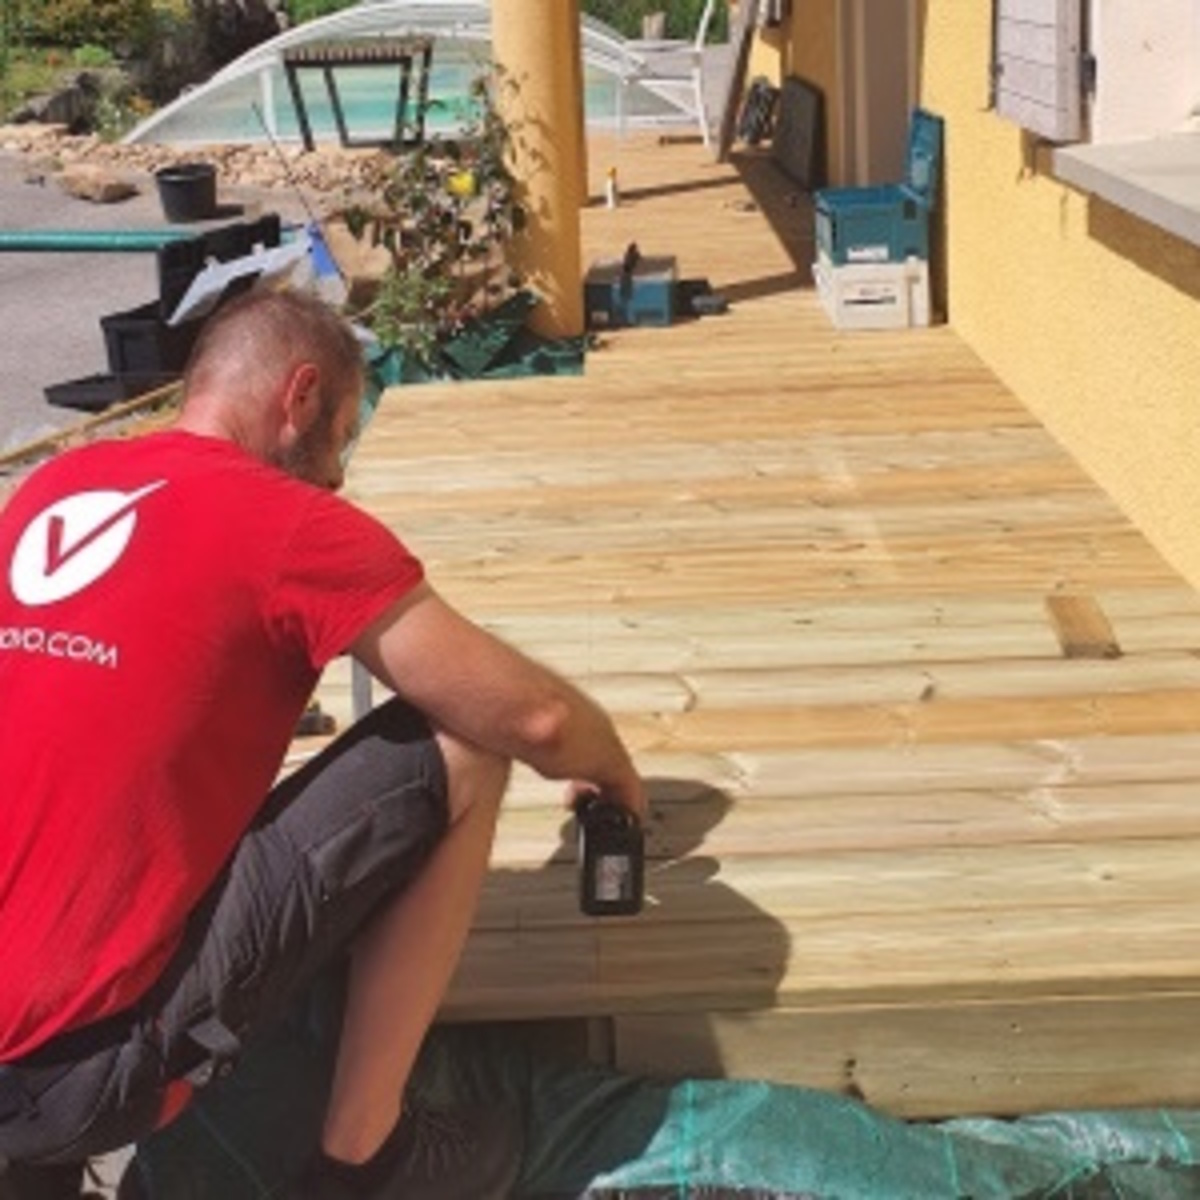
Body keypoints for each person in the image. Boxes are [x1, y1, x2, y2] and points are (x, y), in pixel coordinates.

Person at [0, 288, 646, 1200]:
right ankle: (365, 1157)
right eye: (343, 434)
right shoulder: (286, 521)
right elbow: (528, 717)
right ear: (298, 396)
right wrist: (610, 767)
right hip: (93, 1070)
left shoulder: (53, 489)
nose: (339, 474)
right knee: (465, 745)